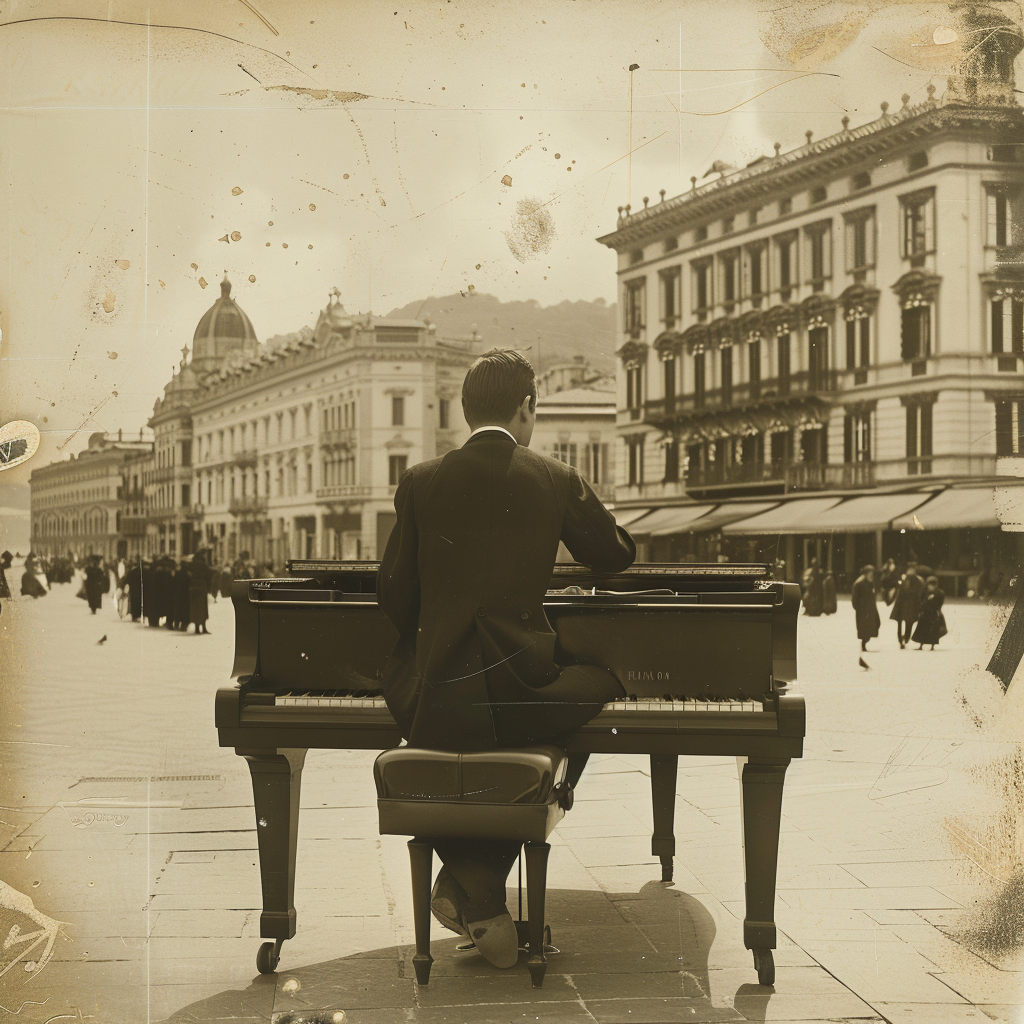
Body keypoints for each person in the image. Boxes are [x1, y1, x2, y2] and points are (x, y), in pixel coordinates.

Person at [377, 348, 635, 969]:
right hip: (522, 687)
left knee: (443, 747)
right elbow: (614, 554)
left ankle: (468, 884)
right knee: (601, 689)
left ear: (466, 413)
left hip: (438, 689)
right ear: (526, 407)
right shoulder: (553, 475)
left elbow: (395, 595)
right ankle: (479, 885)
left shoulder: (419, 480)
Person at [890, 564, 925, 649]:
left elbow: (920, 592)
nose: (910, 571)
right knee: (901, 623)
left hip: (911, 604)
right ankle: (901, 640)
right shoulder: (903, 578)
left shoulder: (918, 580)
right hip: (901, 604)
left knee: (909, 622)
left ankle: (905, 638)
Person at [912, 577, 947, 650]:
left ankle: (932, 645)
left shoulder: (939, 593)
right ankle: (921, 644)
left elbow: (939, 603)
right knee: (922, 629)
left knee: (933, 629)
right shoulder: (925, 592)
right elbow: (921, 601)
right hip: (925, 612)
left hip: (933, 612)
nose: (930, 587)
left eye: (932, 585)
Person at [851, 564, 880, 652]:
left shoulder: (869, 581)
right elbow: (854, 598)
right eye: (870, 573)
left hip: (870, 608)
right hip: (863, 610)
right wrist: (859, 609)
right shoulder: (860, 583)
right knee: (864, 628)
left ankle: (865, 642)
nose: (871, 575)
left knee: (876, 623)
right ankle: (863, 644)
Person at [190, 550, 212, 634]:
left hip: (193, 588)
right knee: (203, 608)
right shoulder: (203, 564)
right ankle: (203, 627)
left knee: (196, 609)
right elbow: (208, 574)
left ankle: (197, 628)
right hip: (202, 587)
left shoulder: (192, 564)